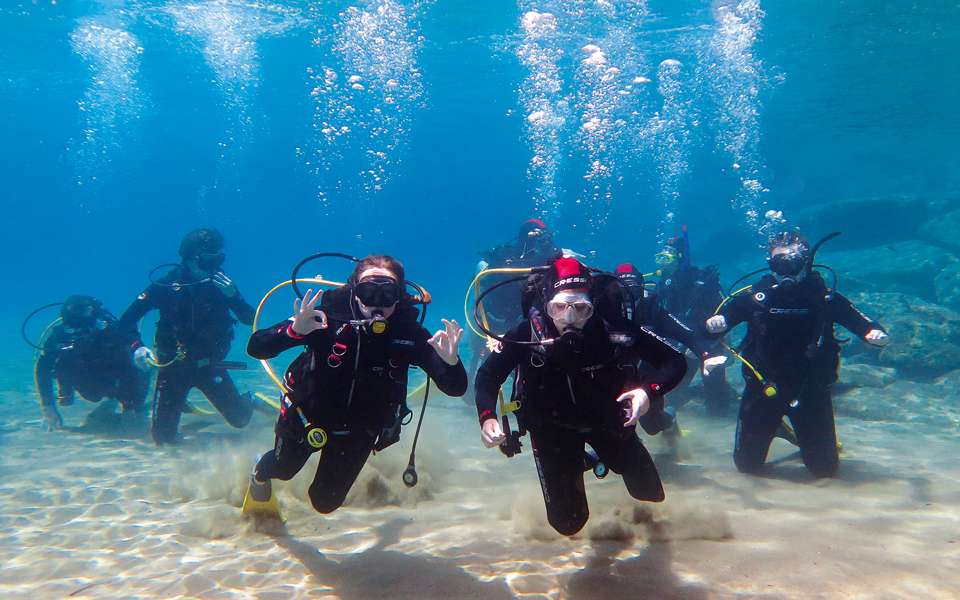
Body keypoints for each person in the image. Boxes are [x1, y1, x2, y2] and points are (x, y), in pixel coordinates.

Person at [475, 257, 688, 536]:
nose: (570, 319)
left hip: (608, 421)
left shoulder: (613, 328)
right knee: (568, 524)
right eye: (559, 308)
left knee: (650, 494)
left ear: (593, 306)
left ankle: (590, 457)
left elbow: (675, 361)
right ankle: (583, 460)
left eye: (581, 308)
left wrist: (648, 393)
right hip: (551, 429)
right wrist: (487, 417)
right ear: (547, 304)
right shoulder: (528, 333)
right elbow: (488, 376)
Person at [243, 254, 467, 518]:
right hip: (306, 416)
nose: (378, 303)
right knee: (282, 469)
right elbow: (255, 347)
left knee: (324, 502)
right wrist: (295, 331)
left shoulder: (410, 334)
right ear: (354, 291)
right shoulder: (324, 318)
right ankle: (260, 472)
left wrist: (451, 362)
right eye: (368, 291)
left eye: (388, 293)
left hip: (360, 430)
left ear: (400, 295)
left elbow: (455, 388)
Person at [706, 231, 890, 479]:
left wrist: (872, 333)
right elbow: (722, 321)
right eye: (778, 262)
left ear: (806, 261)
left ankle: (788, 429)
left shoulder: (823, 297)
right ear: (770, 264)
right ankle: (775, 426)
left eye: (792, 261)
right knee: (747, 467)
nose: (786, 269)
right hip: (764, 387)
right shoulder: (757, 298)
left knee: (825, 471)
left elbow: (857, 319)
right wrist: (718, 322)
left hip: (810, 388)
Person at [120, 228, 259, 446]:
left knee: (240, 421)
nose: (214, 267)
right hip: (174, 367)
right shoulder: (165, 285)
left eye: (218, 259)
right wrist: (137, 346)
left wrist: (234, 296)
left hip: (210, 365)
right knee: (162, 440)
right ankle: (175, 402)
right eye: (207, 260)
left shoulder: (222, 284)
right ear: (191, 259)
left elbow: (250, 319)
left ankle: (252, 401)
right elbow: (127, 320)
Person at [614, 264, 727, 438]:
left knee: (652, 426)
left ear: (642, 289)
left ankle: (670, 419)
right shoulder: (601, 311)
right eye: (621, 292)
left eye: (633, 292)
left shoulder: (653, 311)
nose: (628, 299)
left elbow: (688, 335)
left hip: (647, 373)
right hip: (615, 372)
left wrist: (706, 355)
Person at [654, 235, 738, 416]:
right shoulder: (664, 285)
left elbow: (724, 313)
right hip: (683, 345)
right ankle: (699, 392)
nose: (663, 263)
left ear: (681, 257)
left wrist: (718, 343)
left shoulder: (704, 280)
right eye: (661, 257)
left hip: (709, 342)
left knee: (718, 411)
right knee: (672, 398)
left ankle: (722, 393)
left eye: (667, 258)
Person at [35, 295, 147, 431]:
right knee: (93, 396)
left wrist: (129, 407)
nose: (78, 334)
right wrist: (48, 408)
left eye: (84, 330)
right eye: (72, 330)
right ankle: (108, 400)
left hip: (113, 375)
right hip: (88, 378)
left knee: (141, 369)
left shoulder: (111, 332)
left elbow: (129, 368)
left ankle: (128, 400)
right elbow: (43, 370)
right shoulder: (59, 335)